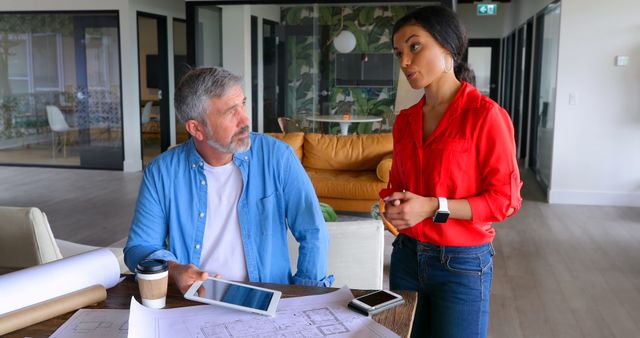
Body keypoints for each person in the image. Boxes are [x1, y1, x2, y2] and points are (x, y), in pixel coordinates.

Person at [124, 67, 334, 294]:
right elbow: (139, 247)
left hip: (265, 298)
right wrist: (174, 270)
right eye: (230, 112)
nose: (245, 119)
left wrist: (305, 297)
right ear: (197, 128)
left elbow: (313, 231)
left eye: (242, 104)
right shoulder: (162, 172)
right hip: (195, 301)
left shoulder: (277, 157)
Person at [382, 6, 523, 338]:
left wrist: (433, 205)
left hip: (462, 264)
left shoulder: (485, 116)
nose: (404, 61)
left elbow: (506, 200)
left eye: (414, 47)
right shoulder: (406, 120)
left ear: (447, 47)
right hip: (405, 257)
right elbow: (396, 186)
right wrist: (393, 207)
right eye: (399, 52)